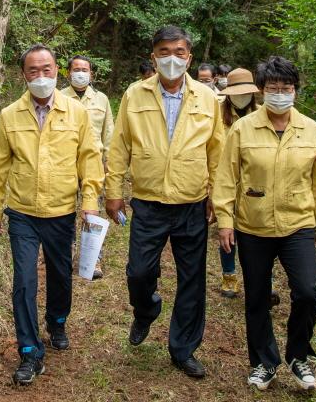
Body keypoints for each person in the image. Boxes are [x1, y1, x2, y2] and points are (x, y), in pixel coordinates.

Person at [105, 26, 224, 379]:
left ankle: (183, 349)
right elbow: (120, 145)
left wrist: (216, 196)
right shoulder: (134, 94)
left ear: (189, 56)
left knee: (192, 279)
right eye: (164, 51)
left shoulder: (207, 98)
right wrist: (113, 191)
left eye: (179, 52)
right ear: (153, 55)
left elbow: (217, 152)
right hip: (149, 201)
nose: (172, 58)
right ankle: (146, 309)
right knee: (139, 272)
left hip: (192, 202)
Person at [212, 56, 316, 391]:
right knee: (256, 298)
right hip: (253, 226)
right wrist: (225, 220)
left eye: (286, 88)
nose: (280, 94)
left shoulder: (311, 130)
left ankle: (299, 356)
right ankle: (263, 363)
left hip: (298, 224)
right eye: (273, 88)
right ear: (262, 91)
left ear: (295, 90)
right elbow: (226, 177)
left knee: (307, 292)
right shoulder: (243, 128)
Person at [0, 44, 104, 386]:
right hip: (21, 211)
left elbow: (89, 158)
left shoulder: (76, 112)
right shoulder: (10, 115)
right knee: (24, 281)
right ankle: (29, 352)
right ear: (24, 75)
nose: (40, 77)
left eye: (47, 70)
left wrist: (90, 200)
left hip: (61, 210)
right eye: (33, 71)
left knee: (60, 274)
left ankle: (57, 320)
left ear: (57, 71)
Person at [62, 55, 115, 279]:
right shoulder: (59, 97)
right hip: (65, 163)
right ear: (68, 73)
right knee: (65, 212)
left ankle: (93, 260)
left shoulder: (101, 100)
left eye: (85, 69)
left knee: (93, 212)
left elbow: (109, 134)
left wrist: (109, 164)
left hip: (94, 165)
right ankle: (65, 256)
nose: (81, 73)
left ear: (91, 74)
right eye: (76, 69)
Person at [214, 67, 260, 299]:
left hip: (256, 187)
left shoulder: (262, 115)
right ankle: (229, 276)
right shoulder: (218, 116)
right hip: (227, 183)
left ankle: (263, 280)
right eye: (237, 92)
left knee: (259, 238)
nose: (241, 97)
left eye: (246, 92)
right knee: (227, 233)